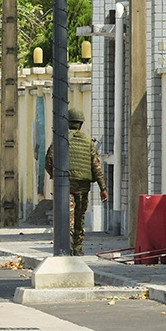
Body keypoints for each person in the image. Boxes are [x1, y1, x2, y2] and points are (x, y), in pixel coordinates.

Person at [44, 107, 108, 256]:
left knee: (67, 217)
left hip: (65, 185)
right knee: (80, 217)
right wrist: (103, 188)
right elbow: (96, 167)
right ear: (81, 123)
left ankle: (66, 246)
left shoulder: (60, 139)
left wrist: (55, 176)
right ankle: (78, 248)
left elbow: (48, 161)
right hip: (83, 186)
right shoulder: (88, 142)